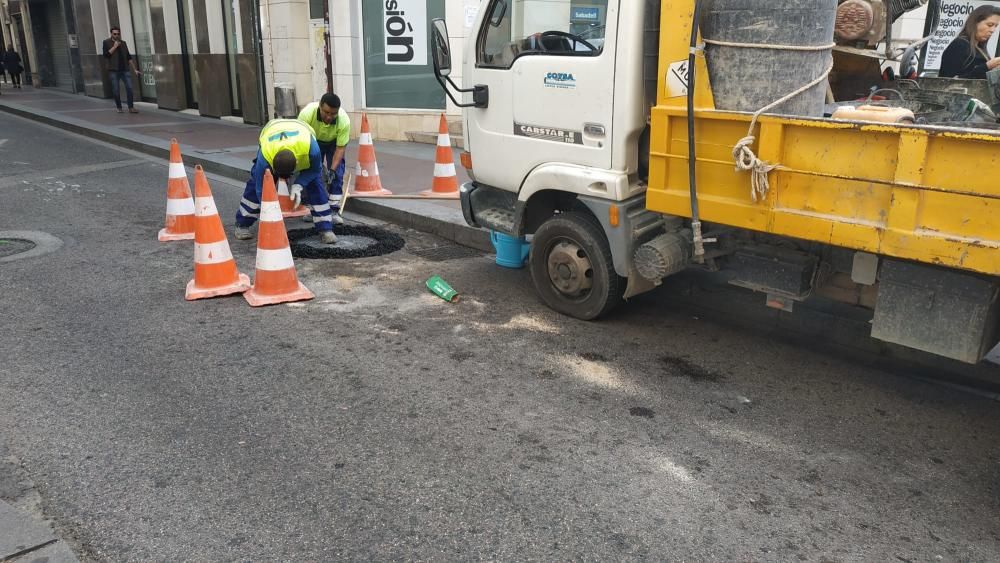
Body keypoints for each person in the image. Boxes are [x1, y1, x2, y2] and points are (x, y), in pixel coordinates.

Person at [234, 118, 338, 244]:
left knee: (315, 185)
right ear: (271, 166)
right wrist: (267, 208)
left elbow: (315, 170)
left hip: (301, 130)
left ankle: (325, 229)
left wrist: (299, 184)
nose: (286, 180)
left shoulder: (311, 149)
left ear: (297, 166)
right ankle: (242, 224)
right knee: (255, 182)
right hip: (271, 129)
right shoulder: (266, 156)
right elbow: (260, 187)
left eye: (288, 176)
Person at [297, 93, 351, 220]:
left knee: (337, 173)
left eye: (333, 114)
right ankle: (314, 209)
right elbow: (302, 141)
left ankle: (333, 210)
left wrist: (332, 170)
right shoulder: (306, 115)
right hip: (312, 141)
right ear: (320, 107)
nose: (329, 117)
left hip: (333, 142)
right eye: (326, 112)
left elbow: (340, 148)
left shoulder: (344, 121)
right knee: (312, 173)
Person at [939, 5, 1000, 79]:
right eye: (989, 25)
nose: (993, 30)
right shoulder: (959, 45)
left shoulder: (979, 48)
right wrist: (987, 67)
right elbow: (948, 80)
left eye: (996, 26)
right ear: (975, 23)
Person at [101, 26, 141, 113]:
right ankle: (119, 107)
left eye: (118, 34)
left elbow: (128, 56)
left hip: (125, 69)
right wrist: (114, 47)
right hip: (113, 70)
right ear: (111, 33)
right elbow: (106, 55)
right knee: (116, 90)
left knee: (130, 88)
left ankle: (131, 107)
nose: (116, 35)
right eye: (115, 34)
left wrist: (135, 69)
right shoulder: (106, 42)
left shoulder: (123, 43)